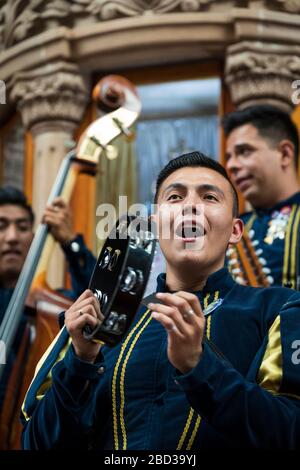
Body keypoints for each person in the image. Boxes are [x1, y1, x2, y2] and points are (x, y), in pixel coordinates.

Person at [21, 152, 300, 450]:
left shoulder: (281, 310)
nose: (190, 205)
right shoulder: (95, 321)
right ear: (154, 225)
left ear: (235, 231)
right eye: (175, 197)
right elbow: (35, 442)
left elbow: (291, 432)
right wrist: (80, 363)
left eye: (209, 197)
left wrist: (199, 366)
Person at [0, 186, 96, 436]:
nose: (12, 237)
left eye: (22, 227)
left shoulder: (53, 307)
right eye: (1, 225)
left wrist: (69, 242)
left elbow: (99, 304)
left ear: (33, 237)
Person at [222, 104, 300, 288]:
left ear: (285, 154)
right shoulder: (232, 231)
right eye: (229, 157)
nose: (231, 165)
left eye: (244, 151)